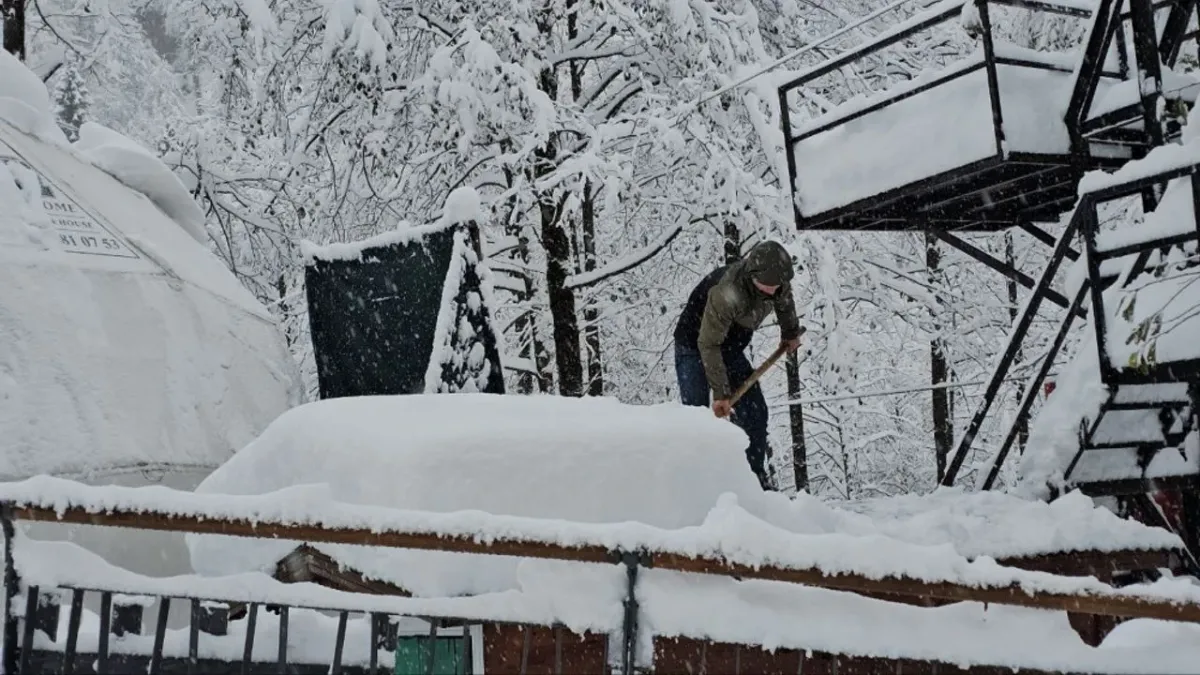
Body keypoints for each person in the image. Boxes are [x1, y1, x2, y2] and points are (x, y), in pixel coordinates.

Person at [672, 240, 803, 490]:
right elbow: (708, 345)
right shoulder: (727, 292)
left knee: (755, 413)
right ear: (754, 276)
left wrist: (790, 333)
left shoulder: (776, 285)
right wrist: (721, 394)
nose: (777, 289)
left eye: (780, 284)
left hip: (730, 347)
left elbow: (785, 305)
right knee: (698, 419)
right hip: (694, 345)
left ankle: (753, 480)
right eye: (771, 284)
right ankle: (699, 486)